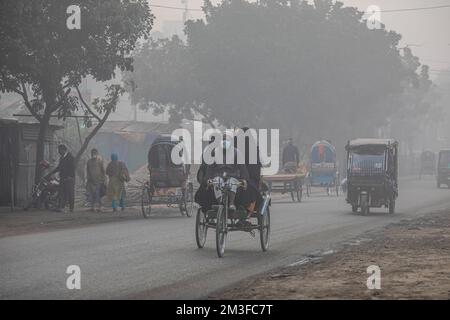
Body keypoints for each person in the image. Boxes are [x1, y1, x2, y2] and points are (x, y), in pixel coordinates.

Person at [47, 144, 76, 213]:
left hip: (69, 178)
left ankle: (71, 208)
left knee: (70, 193)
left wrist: (70, 176)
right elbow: (59, 167)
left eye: (59, 150)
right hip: (63, 178)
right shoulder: (61, 158)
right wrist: (51, 173)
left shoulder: (70, 157)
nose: (59, 152)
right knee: (62, 193)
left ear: (63, 150)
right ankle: (61, 207)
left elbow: (73, 168)